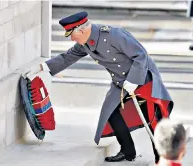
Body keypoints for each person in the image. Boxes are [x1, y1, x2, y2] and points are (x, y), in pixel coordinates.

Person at [29, 11, 173, 164]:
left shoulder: (114, 35)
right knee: (111, 112)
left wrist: (133, 80)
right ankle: (127, 150)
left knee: (153, 119)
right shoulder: (85, 44)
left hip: (142, 78)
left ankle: (163, 159)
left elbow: (141, 55)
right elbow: (67, 57)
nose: (71, 38)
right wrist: (43, 66)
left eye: (72, 34)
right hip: (120, 82)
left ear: (82, 30)